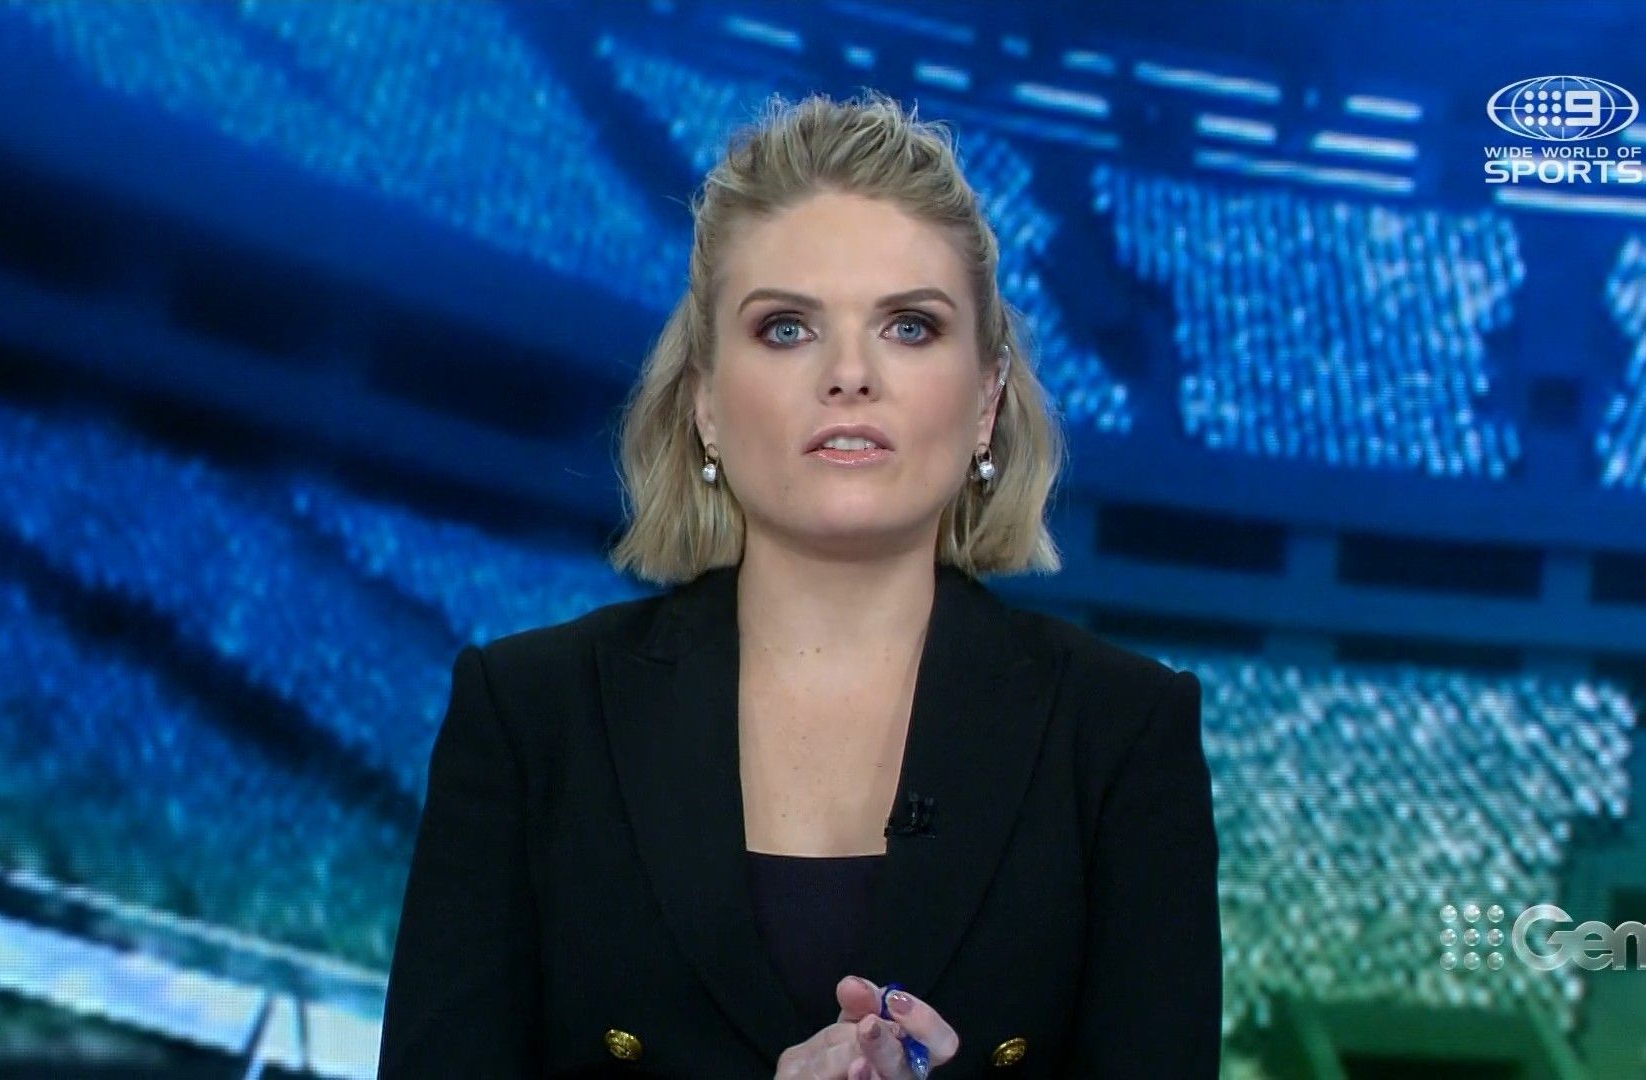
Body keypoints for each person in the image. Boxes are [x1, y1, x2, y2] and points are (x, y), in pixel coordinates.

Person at [376, 90, 1220, 1079]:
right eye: (786, 328)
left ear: (988, 398)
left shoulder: (1123, 738)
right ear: (704, 400)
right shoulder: (528, 720)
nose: (850, 374)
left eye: (910, 326)